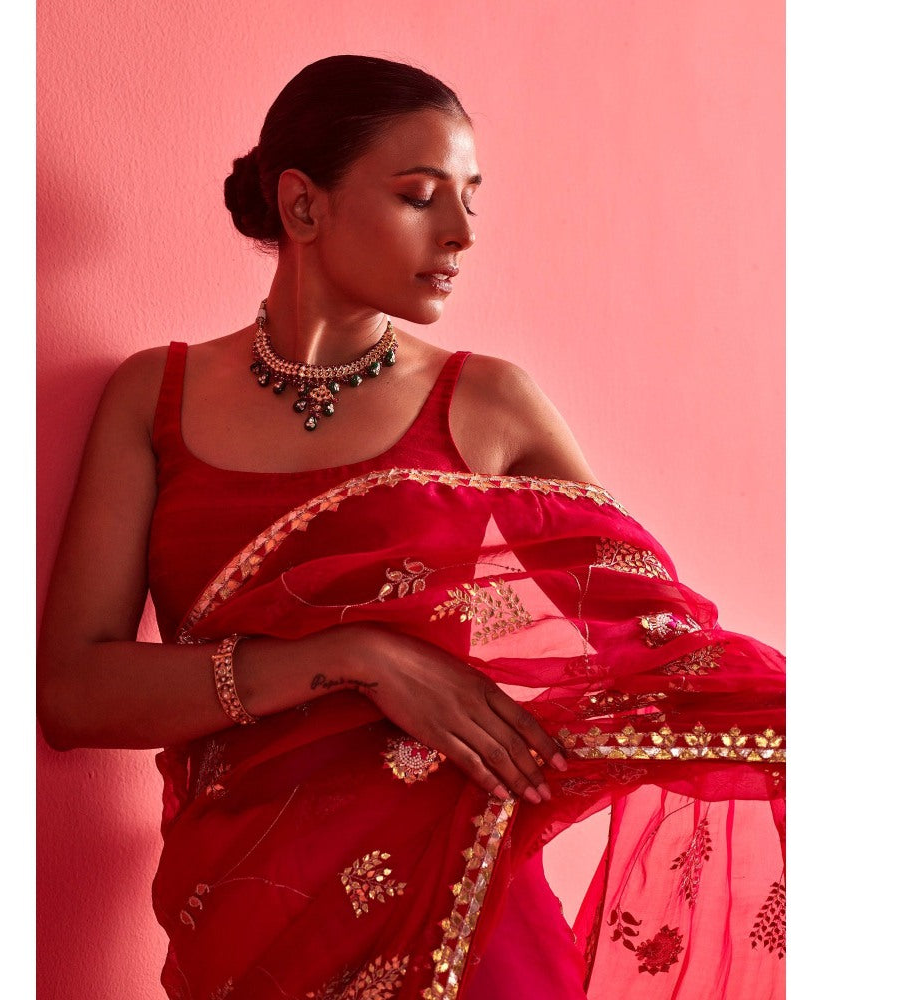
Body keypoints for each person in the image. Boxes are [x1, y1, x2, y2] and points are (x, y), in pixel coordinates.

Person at [38, 55, 785, 1000]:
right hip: (241, 918)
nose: (463, 232)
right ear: (303, 207)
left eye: (472, 196)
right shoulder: (155, 397)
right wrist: (360, 656)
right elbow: (74, 693)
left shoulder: (490, 404)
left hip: (461, 919)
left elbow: (657, 652)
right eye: (420, 195)